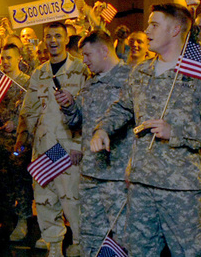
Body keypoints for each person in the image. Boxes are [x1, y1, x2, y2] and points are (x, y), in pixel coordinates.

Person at [90, 3, 201, 257]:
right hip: (140, 184)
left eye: (154, 25)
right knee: (140, 251)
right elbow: (122, 108)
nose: (146, 30)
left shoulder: (199, 73)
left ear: (175, 30)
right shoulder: (141, 71)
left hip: (179, 188)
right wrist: (102, 129)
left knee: (191, 252)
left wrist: (177, 132)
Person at [16, 21, 88, 257]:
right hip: (44, 148)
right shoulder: (39, 73)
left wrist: (79, 145)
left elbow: (89, 111)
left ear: (67, 39)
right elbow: (29, 111)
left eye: (58, 36)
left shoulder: (81, 70)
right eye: (49, 36)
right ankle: (55, 245)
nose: (53, 41)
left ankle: (78, 242)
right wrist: (22, 140)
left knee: (72, 200)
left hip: (69, 148)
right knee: (46, 198)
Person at [59, 30, 132, 257]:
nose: (85, 60)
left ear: (103, 50)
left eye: (88, 55)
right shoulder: (90, 84)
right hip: (91, 172)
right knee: (91, 235)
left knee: (124, 235)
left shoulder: (131, 79)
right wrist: (69, 104)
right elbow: (77, 120)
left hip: (118, 174)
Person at [0, 43, 33, 242]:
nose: (5, 62)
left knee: (20, 182)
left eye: (9, 58)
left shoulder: (27, 82)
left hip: (18, 143)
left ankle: (23, 221)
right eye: (3, 58)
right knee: (1, 183)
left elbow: (32, 111)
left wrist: (16, 124)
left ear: (18, 59)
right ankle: (8, 220)